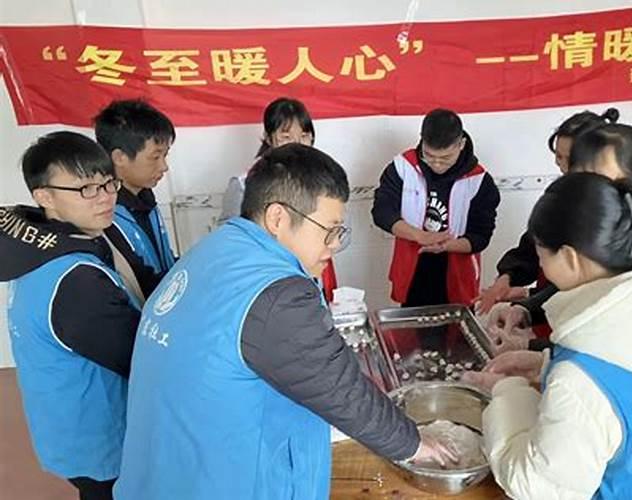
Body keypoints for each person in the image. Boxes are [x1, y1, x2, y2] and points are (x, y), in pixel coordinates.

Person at [114, 144, 456, 500]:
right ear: (278, 218)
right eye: (330, 230)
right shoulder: (278, 293)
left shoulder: (214, 248)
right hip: (224, 481)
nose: (335, 245)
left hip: (167, 473)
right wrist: (413, 443)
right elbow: (341, 390)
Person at [480, 173, 632, 499]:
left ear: (569, 257)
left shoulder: (581, 379)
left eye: (542, 257)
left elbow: (537, 486)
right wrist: (546, 364)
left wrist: (508, 392)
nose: (541, 266)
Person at [0, 132, 142, 500]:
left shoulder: (35, 249)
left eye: (108, 182)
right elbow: (140, 357)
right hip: (102, 438)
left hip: (68, 425)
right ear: (44, 196)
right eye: (86, 189)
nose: (106, 196)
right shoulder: (74, 279)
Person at [489, 122, 632, 353]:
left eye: (603, 180)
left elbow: (612, 338)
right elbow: (579, 279)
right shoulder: (599, 217)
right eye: (581, 176)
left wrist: (532, 348)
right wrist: (527, 309)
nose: (590, 190)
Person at [475, 108, 619, 314]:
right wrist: (508, 278)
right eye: (558, 156)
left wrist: (529, 302)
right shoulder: (563, 195)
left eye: (566, 158)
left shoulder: (607, 211)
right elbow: (533, 245)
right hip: (548, 311)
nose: (559, 164)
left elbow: (582, 289)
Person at [371, 108, 500, 306]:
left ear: (461, 144)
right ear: (422, 141)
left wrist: (446, 245)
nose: (437, 164)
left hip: (457, 271)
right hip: (413, 267)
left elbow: (481, 236)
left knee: (456, 331)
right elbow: (382, 212)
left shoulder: (479, 181)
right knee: (409, 329)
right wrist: (419, 235)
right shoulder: (403, 167)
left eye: (445, 158)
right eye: (429, 156)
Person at [218, 97, 340, 301]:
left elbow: (342, 235)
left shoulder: (325, 182)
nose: (297, 144)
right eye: (286, 136)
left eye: (304, 135)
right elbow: (229, 242)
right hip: (267, 282)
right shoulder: (242, 185)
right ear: (268, 138)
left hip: (314, 274)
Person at [94, 99, 177, 281]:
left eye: (165, 155)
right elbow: (140, 282)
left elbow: (165, 262)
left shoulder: (146, 199)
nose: (164, 166)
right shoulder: (105, 216)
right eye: (155, 157)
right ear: (119, 157)